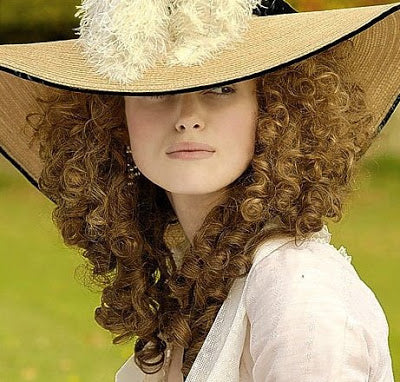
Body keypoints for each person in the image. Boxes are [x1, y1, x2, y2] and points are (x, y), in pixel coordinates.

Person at [0, 0, 399, 381]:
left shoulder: (299, 292)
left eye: (222, 88)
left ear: (274, 112)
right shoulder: (195, 282)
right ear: (115, 121)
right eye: (155, 89)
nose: (188, 117)